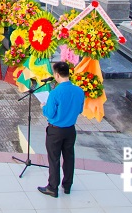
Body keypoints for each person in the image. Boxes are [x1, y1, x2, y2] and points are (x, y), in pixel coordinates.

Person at [38, 61, 85, 198]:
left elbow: (50, 113)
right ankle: (67, 185)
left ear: (57, 75)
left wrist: (43, 107)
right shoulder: (79, 90)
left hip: (56, 130)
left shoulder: (55, 93)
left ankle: (53, 187)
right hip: (70, 130)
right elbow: (80, 109)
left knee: (54, 159)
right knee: (69, 157)